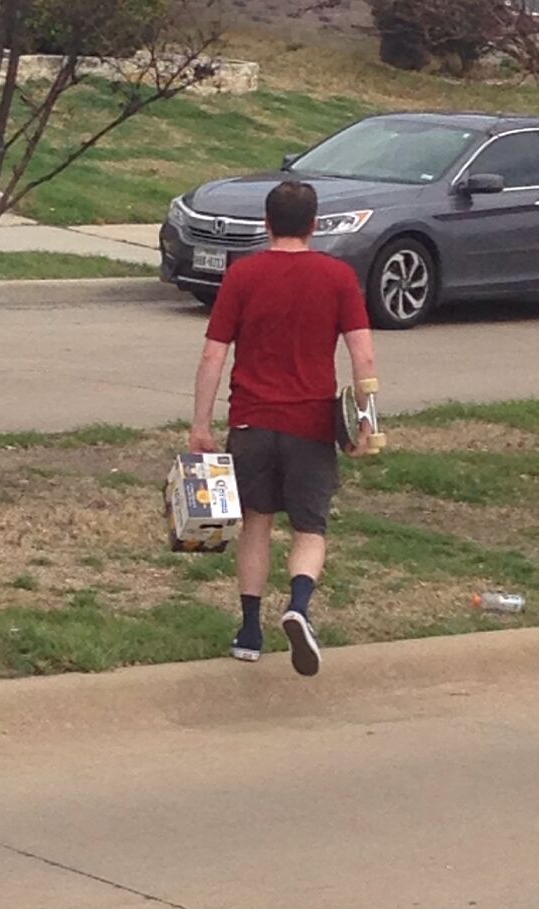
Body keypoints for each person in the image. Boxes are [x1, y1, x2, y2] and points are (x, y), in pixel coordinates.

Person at [190, 180, 378, 677]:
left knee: (256, 520)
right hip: (311, 424)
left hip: (251, 421)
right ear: (314, 225)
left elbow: (214, 353)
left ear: (267, 222)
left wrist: (201, 424)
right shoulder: (338, 277)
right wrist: (366, 421)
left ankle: (250, 631)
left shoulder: (243, 275)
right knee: (311, 527)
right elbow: (363, 355)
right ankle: (299, 605)